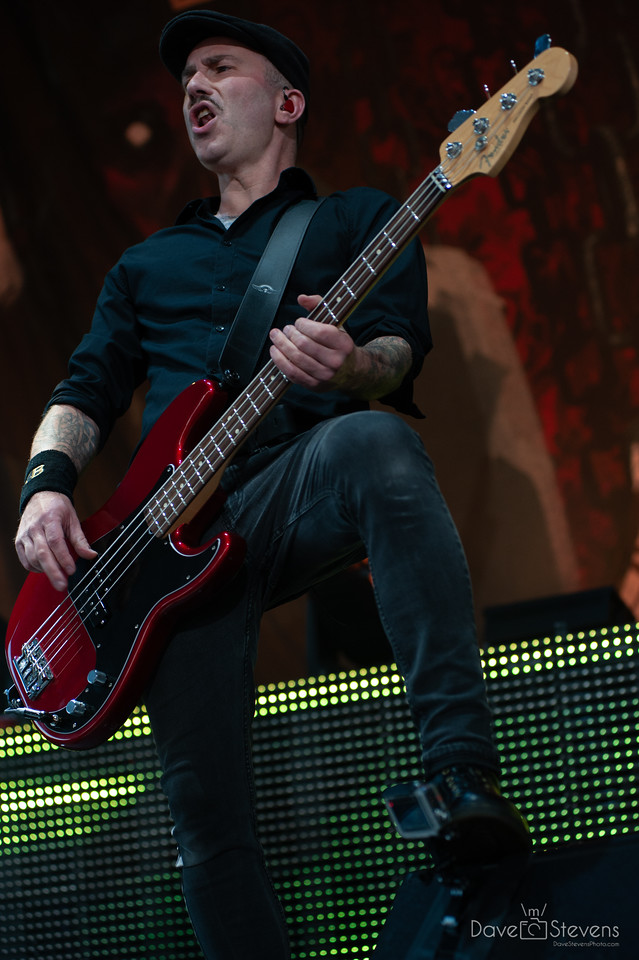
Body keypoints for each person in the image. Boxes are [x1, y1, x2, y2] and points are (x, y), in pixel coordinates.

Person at [14, 10, 530, 959]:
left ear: (287, 103)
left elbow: (394, 353)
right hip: (159, 550)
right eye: (185, 77)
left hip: (290, 486)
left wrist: (351, 365)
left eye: (219, 67)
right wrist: (46, 486)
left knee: (374, 441)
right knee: (204, 825)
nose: (193, 87)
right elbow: (83, 392)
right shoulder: (145, 265)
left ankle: (459, 774)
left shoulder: (358, 220)